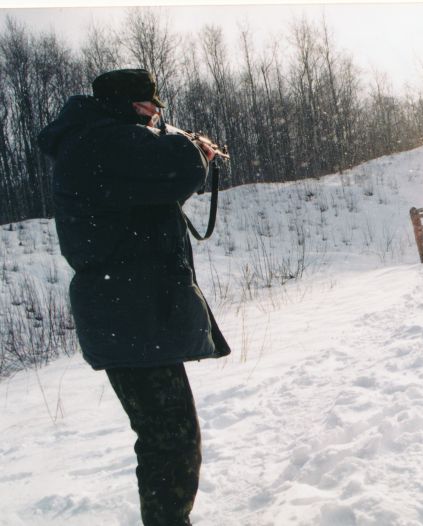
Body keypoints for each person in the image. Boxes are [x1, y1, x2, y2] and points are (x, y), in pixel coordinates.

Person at [38, 68, 231, 526]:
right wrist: (194, 147)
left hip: (129, 312)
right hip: (130, 313)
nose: (153, 117)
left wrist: (181, 148)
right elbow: (178, 168)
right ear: (129, 106)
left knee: (164, 436)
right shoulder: (101, 142)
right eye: (149, 108)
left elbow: (161, 182)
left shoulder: (96, 141)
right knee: (172, 439)